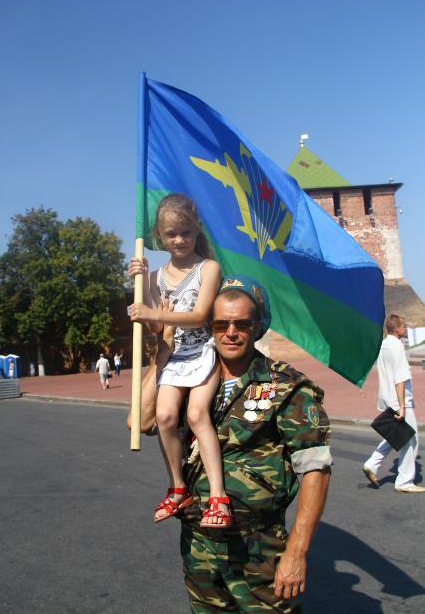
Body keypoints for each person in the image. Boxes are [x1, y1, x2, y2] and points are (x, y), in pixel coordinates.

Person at [137, 275, 332, 612]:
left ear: (258, 327)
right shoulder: (188, 381)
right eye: (220, 324)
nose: (230, 332)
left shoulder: (286, 386)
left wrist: (297, 552)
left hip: (259, 549)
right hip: (199, 545)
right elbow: (142, 420)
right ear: (208, 327)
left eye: (242, 323)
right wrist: (166, 348)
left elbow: (316, 469)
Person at [129, 193, 230, 527]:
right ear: (160, 235)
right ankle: (178, 487)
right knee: (164, 415)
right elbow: (158, 326)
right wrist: (141, 287)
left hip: (203, 352)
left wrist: (153, 312)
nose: (179, 240)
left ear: (197, 229)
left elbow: (200, 315)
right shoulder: (157, 276)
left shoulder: (208, 268)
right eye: (171, 234)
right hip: (173, 357)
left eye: (185, 232)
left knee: (198, 413)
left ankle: (218, 496)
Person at [363, 314, 425, 493]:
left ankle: (372, 464)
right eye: (404, 326)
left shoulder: (383, 345)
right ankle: (404, 481)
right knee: (411, 439)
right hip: (400, 399)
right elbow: (400, 379)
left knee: (395, 434)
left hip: (386, 397)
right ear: (396, 329)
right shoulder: (397, 347)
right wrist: (403, 407)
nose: (405, 329)